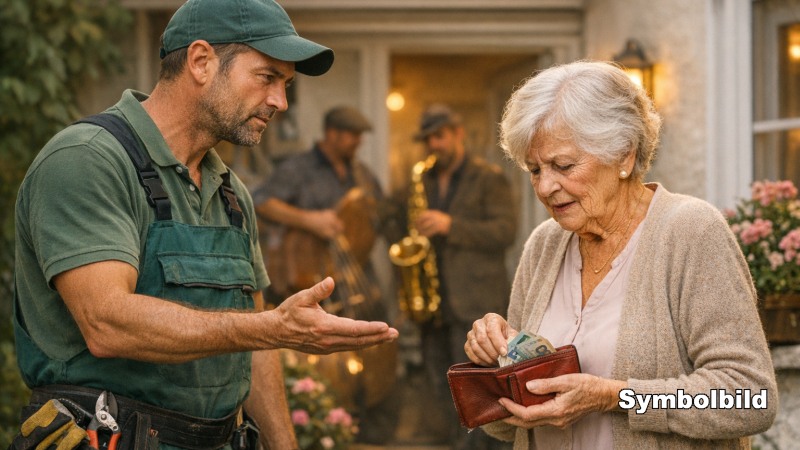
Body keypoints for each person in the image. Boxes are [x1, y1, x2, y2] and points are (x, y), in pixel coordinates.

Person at [10, 1, 398, 449]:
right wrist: (272, 327)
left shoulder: (232, 194)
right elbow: (107, 322)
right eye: (267, 77)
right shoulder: (87, 160)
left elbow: (254, 348)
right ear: (200, 61)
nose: (280, 101)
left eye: (285, 84)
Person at [464, 60, 778, 449]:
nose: (545, 186)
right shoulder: (545, 244)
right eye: (534, 169)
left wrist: (616, 397)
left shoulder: (690, 231)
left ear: (624, 155)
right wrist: (492, 363)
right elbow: (512, 425)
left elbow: (751, 398)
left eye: (563, 165)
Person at [252, 106, 399, 444]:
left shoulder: (360, 172)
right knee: (325, 354)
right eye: (351, 136)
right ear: (331, 133)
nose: (357, 143)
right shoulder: (298, 168)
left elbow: (380, 210)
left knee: (375, 339)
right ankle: (331, 422)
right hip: (315, 275)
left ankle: (370, 418)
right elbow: (261, 200)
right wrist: (309, 220)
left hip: (359, 273)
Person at [409, 104, 518, 449]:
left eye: (439, 136)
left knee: (477, 391)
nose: (434, 145)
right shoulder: (423, 178)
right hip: (434, 301)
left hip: (475, 301)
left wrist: (450, 225)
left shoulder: (488, 177)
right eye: (428, 139)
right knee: (440, 385)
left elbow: (505, 231)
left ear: (458, 134)